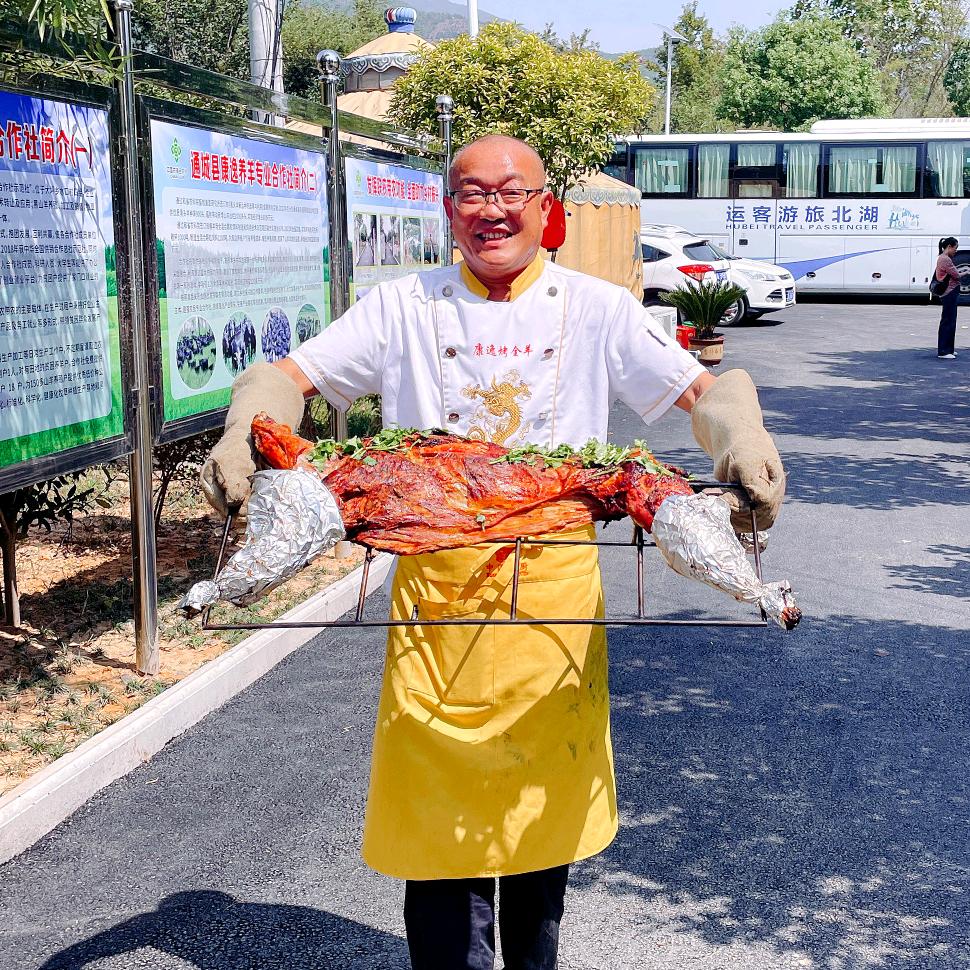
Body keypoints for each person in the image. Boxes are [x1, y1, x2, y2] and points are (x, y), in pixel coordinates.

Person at [200, 134, 787, 970]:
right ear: (448, 210)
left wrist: (744, 437)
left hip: (552, 599)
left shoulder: (596, 306)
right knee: (441, 839)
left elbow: (705, 395)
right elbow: (285, 380)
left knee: (539, 830)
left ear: (545, 209)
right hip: (436, 599)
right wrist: (242, 429)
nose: (493, 210)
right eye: (472, 194)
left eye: (513, 193)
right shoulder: (403, 305)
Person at [935, 236, 961, 359]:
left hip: (950, 292)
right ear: (949, 247)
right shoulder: (945, 259)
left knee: (951, 321)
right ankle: (943, 351)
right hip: (949, 292)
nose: (956, 250)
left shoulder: (945, 258)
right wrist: (965, 272)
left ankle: (949, 349)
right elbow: (956, 274)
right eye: (955, 248)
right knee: (948, 321)